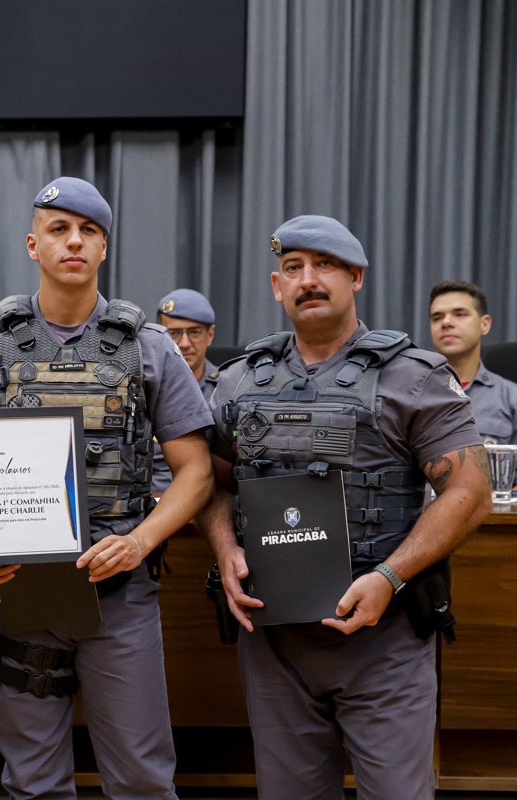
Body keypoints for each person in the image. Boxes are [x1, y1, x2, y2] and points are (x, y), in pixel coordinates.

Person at [0, 177, 214, 799]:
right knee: (33, 780)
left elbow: (196, 472)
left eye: (88, 231)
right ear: (33, 245)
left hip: (120, 592)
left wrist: (139, 542)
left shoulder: (149, 348)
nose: (74, 241)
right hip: (19, 594)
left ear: (104, 247)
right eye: (58, 229)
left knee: (141, 778)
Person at [199, 215, 492, 799]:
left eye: (325, 265)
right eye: (292, 268)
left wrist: (389, 577)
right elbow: (213, 483)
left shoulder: (412, 377)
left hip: (384, 636)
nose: (308, 279)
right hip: (274, 639)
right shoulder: (237, 383)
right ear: (276, 285)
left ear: (356, 276)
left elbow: (470, 492)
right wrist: (226, 547)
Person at [429, 280, 517, 445]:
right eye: (437, 317)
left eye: (460, 314)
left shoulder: (511, 399)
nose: (446, 322)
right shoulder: (409, 394)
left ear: (484, 324)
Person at [150, 288, 220, 494]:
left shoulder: (228, 389)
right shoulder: (142, 389)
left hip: (206, 502)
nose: (185, 343)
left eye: (195, 332)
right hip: (148, 503)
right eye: (174, 333)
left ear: (210, 335)